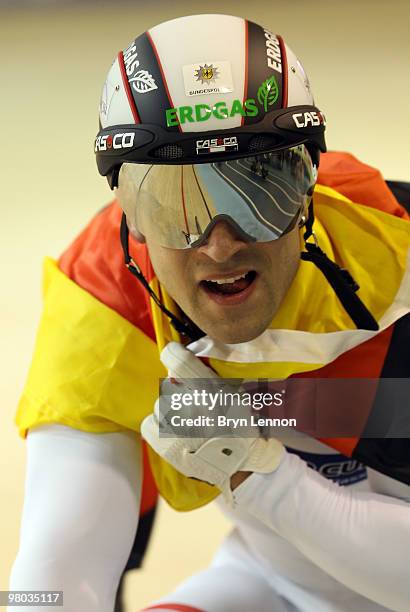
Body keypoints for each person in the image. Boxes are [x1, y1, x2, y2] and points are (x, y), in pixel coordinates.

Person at [8, 13, 410, 612]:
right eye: (171, 204)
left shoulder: (394, 247)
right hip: (271, 581)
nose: (220, 246)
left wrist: (259, 473)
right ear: (127, 217)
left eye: (259, 189)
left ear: (308, 191)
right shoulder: (106, 300)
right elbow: (55, 582)